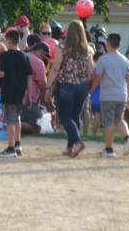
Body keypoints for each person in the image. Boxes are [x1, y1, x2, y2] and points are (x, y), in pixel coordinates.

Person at [47, 20, 92, 157]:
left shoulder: (62, 48)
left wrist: (48, 87)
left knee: (64, 116)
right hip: (82, 86)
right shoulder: (88, 50)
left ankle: (78, 142)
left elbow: (55, 69)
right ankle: (70, 148)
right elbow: (91, 73)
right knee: (75, 116)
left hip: (66, 85)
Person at [90, 33, 129, 158]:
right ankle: (128, 137)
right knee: (119, 120)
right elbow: (128, 80)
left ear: (108, 44)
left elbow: (98, 78)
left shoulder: (103, 60)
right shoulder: (126, 61)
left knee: (108, 122)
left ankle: (109, 149)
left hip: (108, 94)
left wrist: (90, 90)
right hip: (122, 94)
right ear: (119, 45)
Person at [0, 29, 32, 158]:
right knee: (16, 118)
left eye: (5, 40)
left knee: (10, 120)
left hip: (8, 91)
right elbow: (29, 76)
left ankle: (10, 148)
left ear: (10, 41)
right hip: (20, 91)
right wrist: (29, 93)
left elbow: (1, 74)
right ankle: (18, 144)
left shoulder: (4, 56)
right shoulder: (24, 56)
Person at [22, 39, 48, 134]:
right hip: (30, 100)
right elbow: (42, 84)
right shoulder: (38, 62)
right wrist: (45, 98)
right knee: (39, 127)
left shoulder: (22, 56)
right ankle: (10, 126)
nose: (44, 58)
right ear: (41, 51)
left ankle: (4, 125)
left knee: (16, 117)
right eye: (45, 55)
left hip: (14, 98)